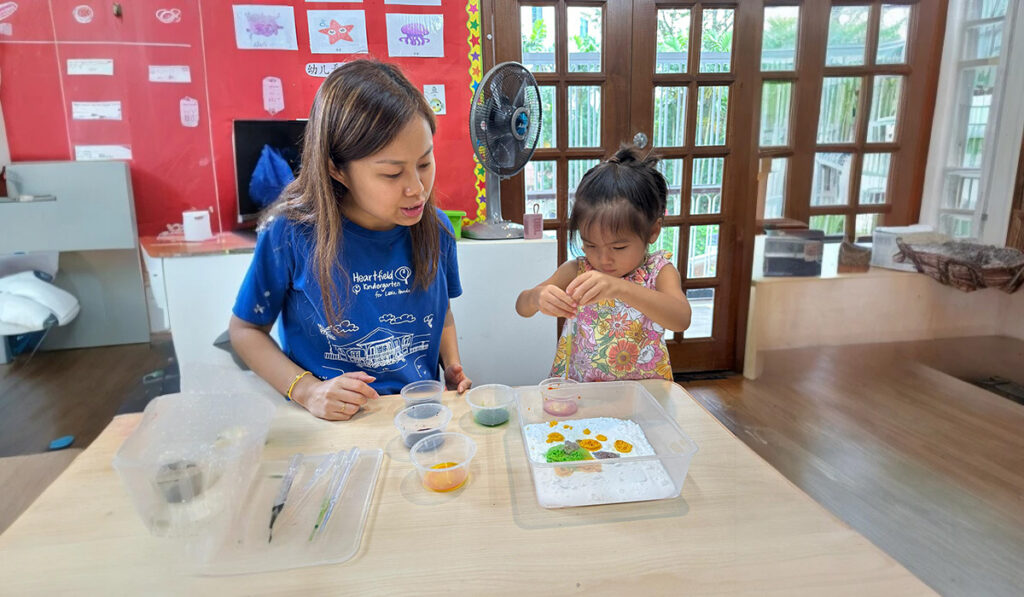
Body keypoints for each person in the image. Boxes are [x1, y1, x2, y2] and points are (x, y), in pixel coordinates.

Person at [230, 60, 471, 421]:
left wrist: (451, 364)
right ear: (335, 168)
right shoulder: (290, 234)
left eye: (424, 163)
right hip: (329, 423)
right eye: (391, 173)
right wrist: (309, 390)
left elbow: (440, 310)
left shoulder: (435, 229)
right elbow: (245, 330)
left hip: (418, 414)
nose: (417, 189)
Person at [516, 146, 691, 381]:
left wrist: (619, 288)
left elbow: (681, 319)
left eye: (618, 248)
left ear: (653, 231)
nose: (603, 259)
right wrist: (537, 297)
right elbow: (522, 307)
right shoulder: (577, 270)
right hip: (582, 392)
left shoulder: (658, 271)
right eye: (590, 245)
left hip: (643, 395)